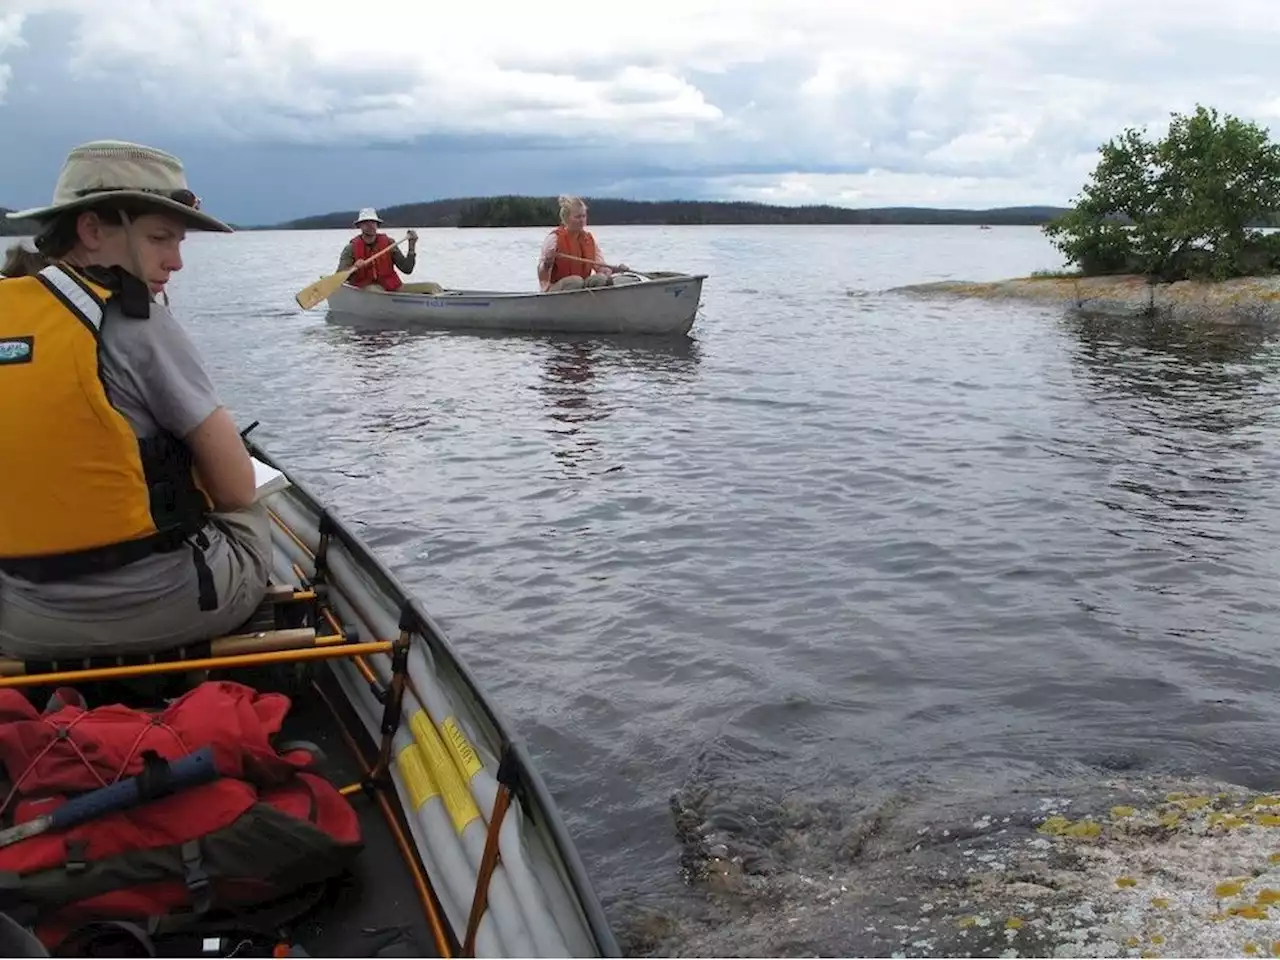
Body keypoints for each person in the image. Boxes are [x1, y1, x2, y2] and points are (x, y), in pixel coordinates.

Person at [0, 138, 272, 661]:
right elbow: (237, 490)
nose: (175, 262)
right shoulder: (135, 323)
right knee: (255, 512)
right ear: (93, 230)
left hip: (21, 625)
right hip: (162, 607)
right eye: (158, 238)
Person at [537, 195, 629, 292]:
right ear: (566, 218)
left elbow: (601, 268)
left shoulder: (588, 240)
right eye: (577, 217)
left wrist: (616, 270)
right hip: (555, 290)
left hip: (580, 286)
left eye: (584, 216)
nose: (582, 220)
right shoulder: (554, 239)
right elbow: (542, 274)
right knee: (575, 281)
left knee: (600, 278)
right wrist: (547, 263)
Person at [336, 207, 417, 291]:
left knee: (430, 288)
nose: (370, 225)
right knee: (374, 289)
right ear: (359, 225)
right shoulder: (350, 248)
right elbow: (339, 277)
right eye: (366, 223)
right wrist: (354, 267)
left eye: (373, 222)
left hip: (391, 287)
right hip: (365, 289)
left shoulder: (389, 243)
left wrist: (412, 246)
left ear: (377, 224)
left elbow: (407, 269)